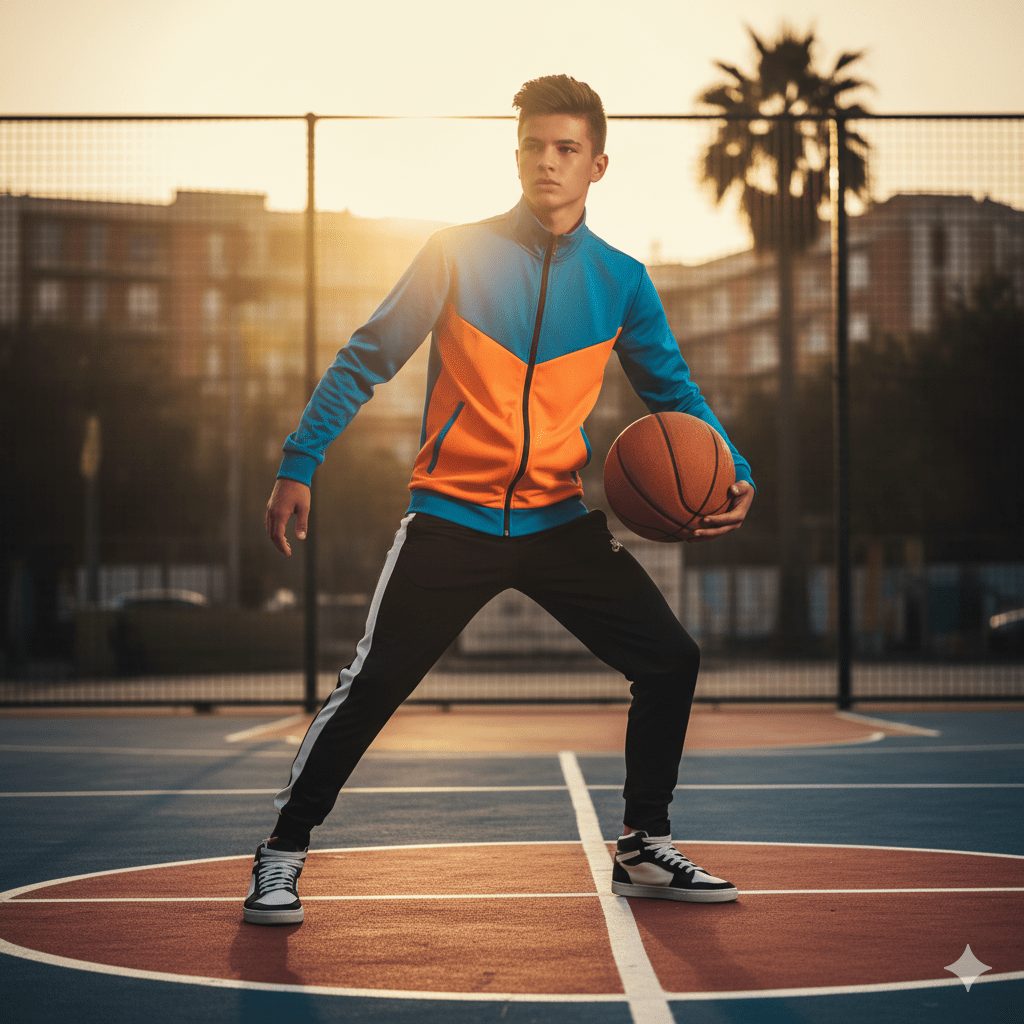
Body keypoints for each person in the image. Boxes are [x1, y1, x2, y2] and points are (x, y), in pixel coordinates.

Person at [242, 74, 756, 926]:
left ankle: (642, 844)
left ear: (598, 165)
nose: (545, 163)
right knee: (370, 686)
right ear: (515, 153)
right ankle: (282, 852)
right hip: (451, 516)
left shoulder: (623, 281)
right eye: (532, 146)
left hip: (558, 522)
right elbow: (366, 356)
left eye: (565, 150)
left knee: (671, 658)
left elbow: (676, 394)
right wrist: (300, 463)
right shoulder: (455, 252)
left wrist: (736, 472)